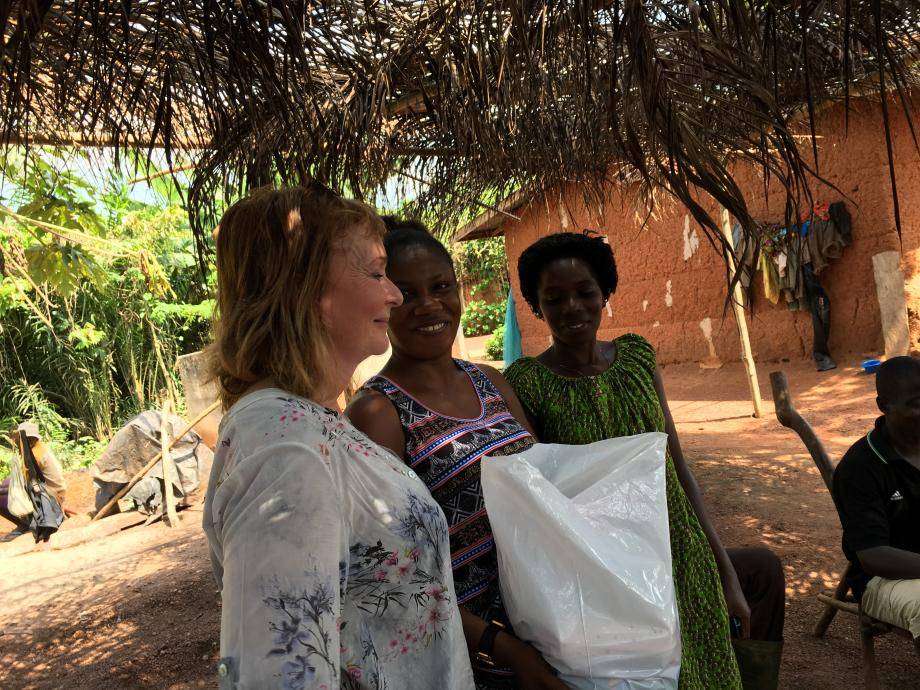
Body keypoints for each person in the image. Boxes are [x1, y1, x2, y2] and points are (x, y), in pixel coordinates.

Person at [202, 187, 474, 689]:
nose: (393, 294)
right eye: (375, 273)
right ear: (306, 289)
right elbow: (280, 675)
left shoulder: (305, 422)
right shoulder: (286, 449)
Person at [504, 232, 785, 690]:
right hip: (605, 567)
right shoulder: (528, 383)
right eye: (554, 298)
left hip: (678, 546)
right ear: (536, 307)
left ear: (605, 293)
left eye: (585, 292)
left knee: (703, 667)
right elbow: (545, 499)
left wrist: (725, 571)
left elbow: (677, 464)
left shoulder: (636, 357)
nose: (572, 307)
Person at [346, 218, 566, 689]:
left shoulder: (491, 381)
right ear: (385, 300)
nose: (429, 304)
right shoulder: (378, 414)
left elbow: (546, 493)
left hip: (551, 623)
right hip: (476, 654)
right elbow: (389, 574)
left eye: (441, 286)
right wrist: (501, 647)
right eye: (406, 292)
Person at [832, 356, 920, 642]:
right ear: (884, 406)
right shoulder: (861, 466)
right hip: (883, 580)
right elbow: (874, 556)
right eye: (916, 404)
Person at [1, 422, 69, 532]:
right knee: (5, 486)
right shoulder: (38, 448)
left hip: (50, 496)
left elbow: (22, 484)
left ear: (29, 440)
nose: (17, 442)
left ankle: (25, 524)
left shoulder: (34, 456)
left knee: (4, 494)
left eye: (19, 439)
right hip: (54, 491)